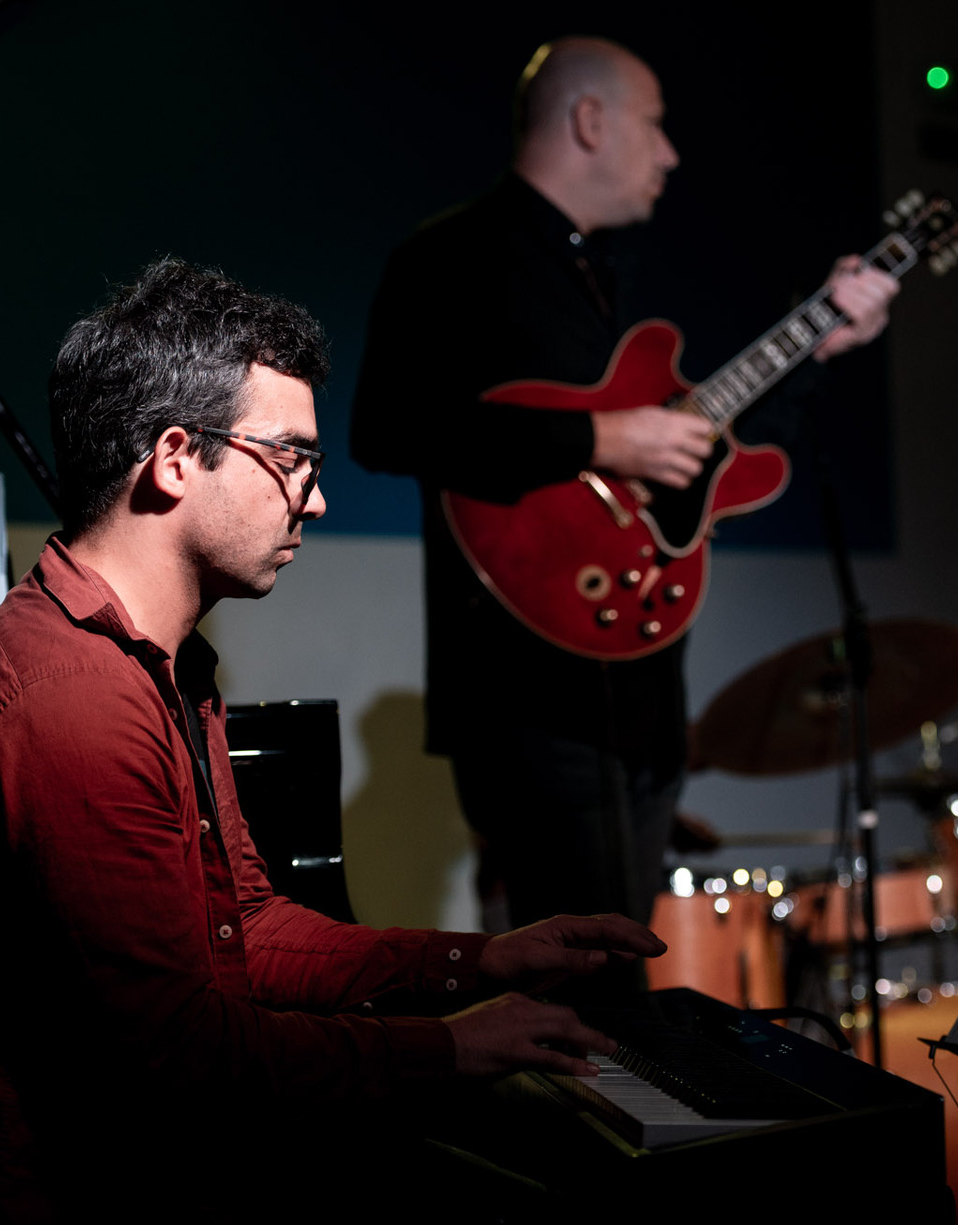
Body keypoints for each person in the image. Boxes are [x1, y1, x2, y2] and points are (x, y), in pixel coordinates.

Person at [0, 258, 664, 1225]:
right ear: (175, 459)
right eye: (292, 458)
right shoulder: (76, 700)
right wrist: (452, 1046)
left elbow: (242, 926)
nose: (319, 500)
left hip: (131, 1175)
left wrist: (482, 963)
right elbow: (180, 1057)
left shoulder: (163, 661)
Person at [352, 36, 899, 934]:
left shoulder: (602, 275)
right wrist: (602, 437)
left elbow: (707, 453)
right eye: (656, 125)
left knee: (616, 976)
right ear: (590, 121)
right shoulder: (451, 255)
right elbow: (388, 427)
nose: (672, 154)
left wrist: (818, 345)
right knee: (587, 987)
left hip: (643, 689)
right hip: (528, 692)